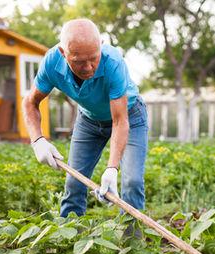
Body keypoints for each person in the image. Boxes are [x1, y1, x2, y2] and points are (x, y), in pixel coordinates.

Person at [22, 18, 148, 226]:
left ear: (102, 45)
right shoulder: (52, 62)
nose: (88, 67)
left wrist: (111, 168)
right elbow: (30, 102)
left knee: (132, 183)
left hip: (130, 117)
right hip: (89, 120)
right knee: (74, 182)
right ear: (64, 54)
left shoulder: (113, 62)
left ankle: (132, 249)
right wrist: (37, 140)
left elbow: (119, 121)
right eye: (79, 61)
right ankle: (70, 245)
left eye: (93, 58)